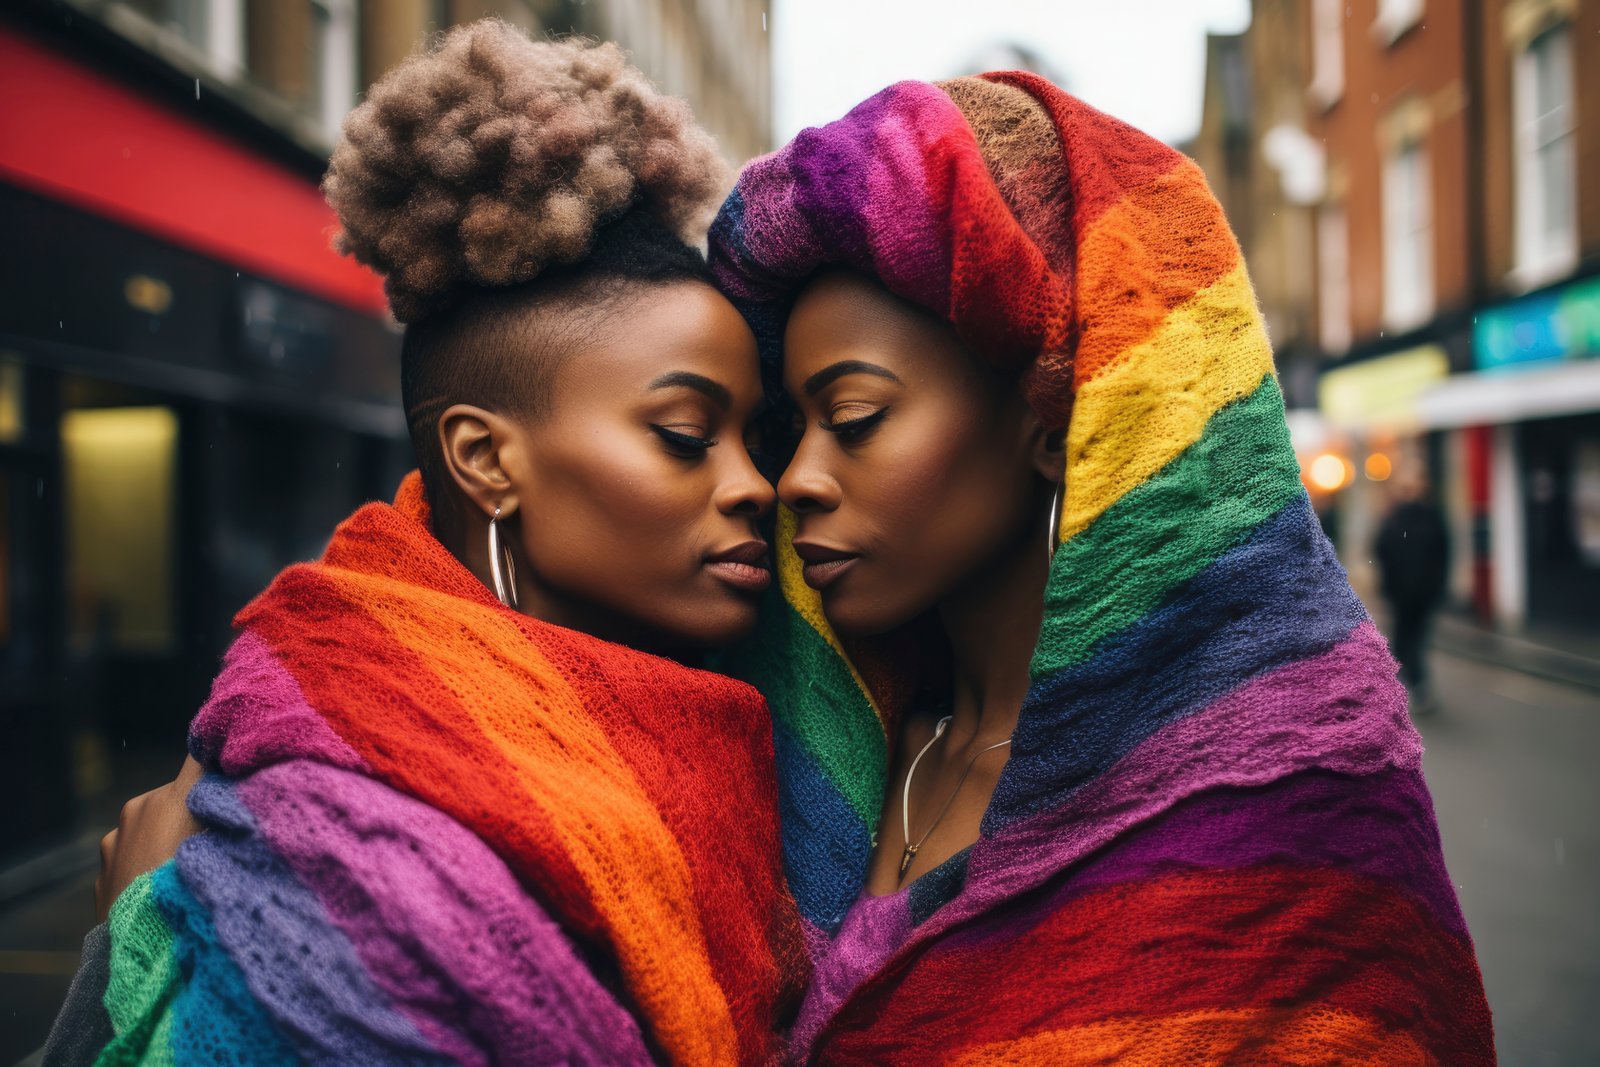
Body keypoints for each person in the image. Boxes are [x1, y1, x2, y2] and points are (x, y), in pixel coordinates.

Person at [45, 22, 805, 1065]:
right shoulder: (317, 802)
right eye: (685, 435)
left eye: (755, 440)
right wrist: (143, 953)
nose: (756, 485)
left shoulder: (766, 722)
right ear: (485, 458)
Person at [709, 73, 1496, 1063]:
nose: (797, 480)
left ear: (1052, 419)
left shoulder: (1285, 800)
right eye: (793, 427)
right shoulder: (806, 761)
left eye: (856, 417)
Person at [1374, 472, 1452, 713]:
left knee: (1414, 641)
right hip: (1401, 593)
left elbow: (1443, 554)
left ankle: (1412, 685)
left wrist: (1437, 586)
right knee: (1404, 640)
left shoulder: (1429, 518)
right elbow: (1382, 551)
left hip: (1422, 593)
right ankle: (1409, 685)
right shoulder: (1396, 518)